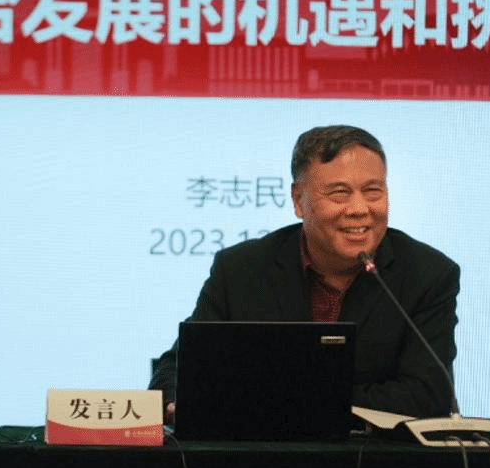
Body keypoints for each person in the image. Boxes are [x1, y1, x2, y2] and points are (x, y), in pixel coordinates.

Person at [149, 125, 459, 420]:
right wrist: (176, 402)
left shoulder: (428, 274)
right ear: (299, 200)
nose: (359, 209)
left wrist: (276, 399)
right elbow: (177, 369)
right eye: (339, 193)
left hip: (376, 455)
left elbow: (428, 396)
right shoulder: (241, 269)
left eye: (373, 191)